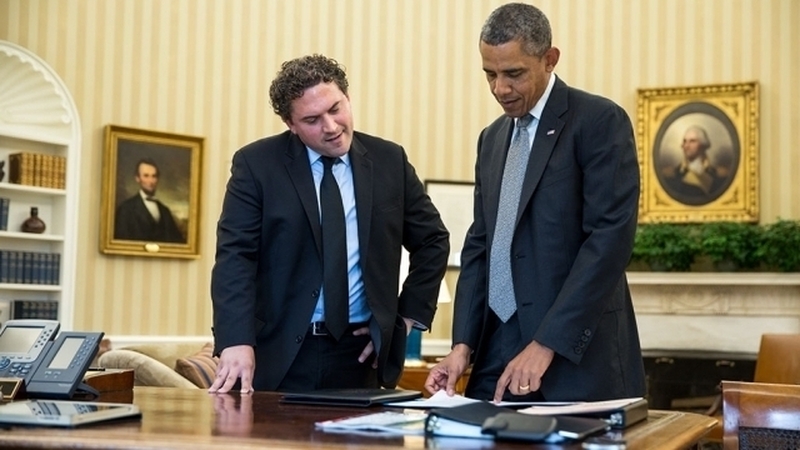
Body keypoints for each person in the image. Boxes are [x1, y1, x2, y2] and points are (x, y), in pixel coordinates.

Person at [424, 3, 646, 403]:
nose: (500, 89)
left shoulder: (598, 121)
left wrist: (546, 343)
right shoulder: (490, 140)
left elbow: (609, 241)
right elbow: (481, 246)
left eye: (514, 74)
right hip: (496, 349)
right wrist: (462, 346)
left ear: (550, 59)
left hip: (574, 354)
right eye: (489, 75)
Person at [209, 54, 449, 394]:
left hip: (361, 355)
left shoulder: (389, 160)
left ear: (347, 98)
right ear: (290, 124)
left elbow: (433, 241)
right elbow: (236, 257)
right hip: (278, 353)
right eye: (312, 119)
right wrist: (235, 340)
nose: (332, 127)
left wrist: (404, 319)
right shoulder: (257, 165)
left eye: (336, 109)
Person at [114, 158, 185, 243]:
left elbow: (177, 243)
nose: (151, 181)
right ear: (137, 178)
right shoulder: (126, 209)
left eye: (154, 176)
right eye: (146, 176)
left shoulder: (165, 211)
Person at [660, 125, 727, 205]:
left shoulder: (719, 174)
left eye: (692, 141)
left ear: (703, 145)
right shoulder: (672, 175)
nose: (686, 146)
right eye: (685, 141)